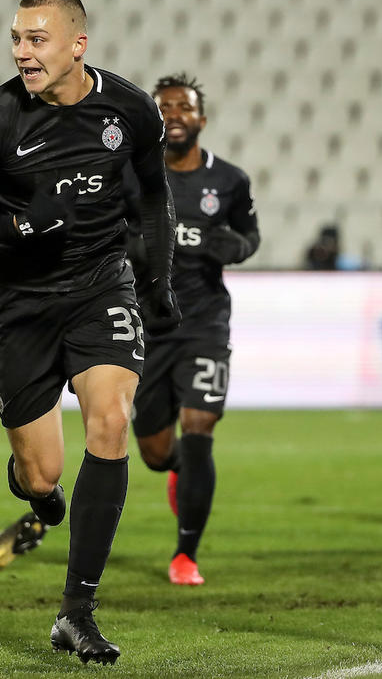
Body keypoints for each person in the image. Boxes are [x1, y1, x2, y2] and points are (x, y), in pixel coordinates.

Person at [0, 0, 179, 665]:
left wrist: (158, 280)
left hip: (101, 287)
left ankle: (77, 611)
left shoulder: (130, 109)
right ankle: (32, 488)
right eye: (16, 39)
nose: (22, 52)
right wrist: (17, 225)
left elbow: (155, 195)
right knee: (43, 475)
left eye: (36, 39)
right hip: (18, 302)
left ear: (77, 45)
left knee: (111, 421)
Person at [126, 73, 260, 586]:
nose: (174, 115)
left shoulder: (229, 180)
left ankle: (186, 555)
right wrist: (135, 245)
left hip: (205, 323)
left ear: (201, 118)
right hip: (146, 325)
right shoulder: (131, 174)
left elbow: (249, 234)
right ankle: (178, 470)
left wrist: (238, 247)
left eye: (184, 107)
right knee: (156, 454)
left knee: (199, 425)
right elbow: (107, 229)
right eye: (164, 107)